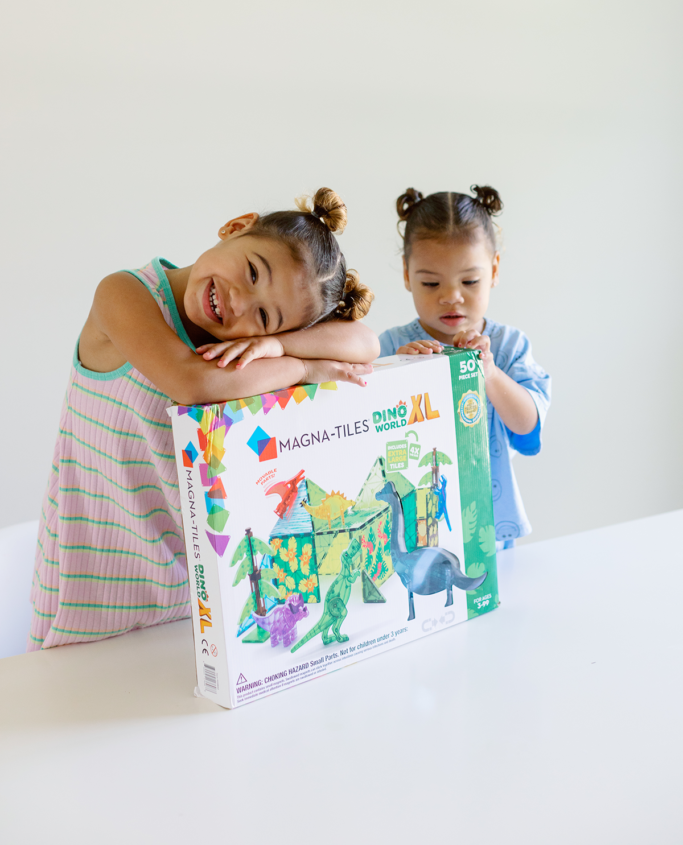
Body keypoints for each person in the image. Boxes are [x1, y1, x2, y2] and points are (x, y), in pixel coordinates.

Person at [30, 188, 378, 651]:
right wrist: (302, 367)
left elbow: (365, 344)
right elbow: (191, 382)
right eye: (253, 271)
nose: (238, 301)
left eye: (264, 316)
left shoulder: (250, 346)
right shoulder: (125, 293)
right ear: (235, 227)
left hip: (191, 600)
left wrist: (276, 344)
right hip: (91, 595)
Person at [378, 186, 550, 549]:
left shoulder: (508, 347)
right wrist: (399, 370)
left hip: (485, 520)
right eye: (430, 282)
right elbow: (368, 432)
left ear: (494, 269)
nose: (451, 296)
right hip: (416, 524)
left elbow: (528, 427)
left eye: (469, 281)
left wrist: (489, 372)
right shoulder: (389, 346)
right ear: (408, 276)